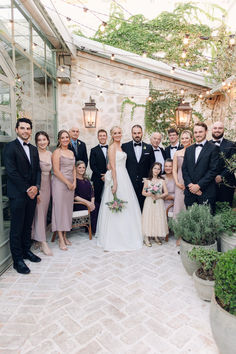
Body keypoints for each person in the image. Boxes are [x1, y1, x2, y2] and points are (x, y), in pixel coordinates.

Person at [4, 118, 41, 274]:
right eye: (22, 128)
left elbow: (38, 170)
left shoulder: (33, 149)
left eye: (28, 128)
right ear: (16, 129)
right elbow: (11, 172)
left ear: (31, 131)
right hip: (18, 194)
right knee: (17, 228)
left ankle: (26, 251)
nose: (26, 131)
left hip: (32, 194)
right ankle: (17, 260)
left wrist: (37, 187)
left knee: (27, 225)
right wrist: (27, 189)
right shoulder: (9, 147)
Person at [96, 126, 143, 251]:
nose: (117, 135)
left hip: (125, 176)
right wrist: (115, 183)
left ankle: (128, 234)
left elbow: (109, 165)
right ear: (111, 135)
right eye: (115, 133)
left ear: (121, 133)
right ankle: (114, 237)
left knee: (128, 206)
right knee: (116, 205)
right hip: (118, 177)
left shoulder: (121, 147)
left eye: (119, 132)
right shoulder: (111, 148)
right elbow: (113, 167)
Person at [182, 122, 219, 211]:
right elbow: (184, 169)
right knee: (190, 222)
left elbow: (213, 170)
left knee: (206, 223)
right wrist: (190, 185)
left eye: (200, 132)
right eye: (195, 132)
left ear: (206, 132)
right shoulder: (189, 149)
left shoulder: (214, 148)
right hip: (190, 193)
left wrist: (198, 186)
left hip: (206, 192)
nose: (198, 134)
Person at [51, 130, 76, 250]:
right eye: (63, 137)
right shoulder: (56, 152)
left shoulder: (71, 152)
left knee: (67, 210)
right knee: (59, 210)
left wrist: (74, 182)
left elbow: (73, 169)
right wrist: (67, 183)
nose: (65, 139)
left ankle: (65, 235)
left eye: (67, 137)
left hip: (70, 185)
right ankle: (60, 239)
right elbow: (56, 171)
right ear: (59, 140)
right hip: (60, 184)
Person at [122, 125, 155, 210]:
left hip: (144, 183)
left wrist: (150, 180)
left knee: (143, 206)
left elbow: (152, 165)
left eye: (139, 133)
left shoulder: (149, 147)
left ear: (142, 133)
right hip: (129, 182)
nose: (137, 135)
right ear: (131, 134)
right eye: (135, 133)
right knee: (130, 206)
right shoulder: (125, 146)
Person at [31, 131, 53, 256]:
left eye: (44, 139)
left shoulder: (50, 153)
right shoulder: (34, 154)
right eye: (39, 140)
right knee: (38, 212)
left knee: (43, 213)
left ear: (48, 140)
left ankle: (37, 237)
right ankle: (43, 241)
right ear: (36, 142)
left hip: (48, 185)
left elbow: (52, 173)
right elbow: (33, 173)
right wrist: (37, 190)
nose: (42, 142)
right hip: (38, 186)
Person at [142, 162, 168, 247]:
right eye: (155, 168)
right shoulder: (147, 180)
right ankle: (146, 237)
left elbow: (166, 193)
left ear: (160, 170)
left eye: (158, 169)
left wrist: (159, 196)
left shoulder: (162, 181)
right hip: (149, 201)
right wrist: (150, 194)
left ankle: (156, 236)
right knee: (149, 217)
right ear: (152, 169)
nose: (156, 170)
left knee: (157, 217)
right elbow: (143, 192)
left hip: (158, 201)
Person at [210, 121, 236, 206]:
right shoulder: (206, 145)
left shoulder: (232, 145)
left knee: (225, 209)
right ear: (212, 130)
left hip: (227, 184)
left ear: (223, 130)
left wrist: (222, 176)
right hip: (209, 184)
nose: (217, 130)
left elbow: (233, 163)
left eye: (220, 128)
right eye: (215, 128)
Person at [74, 160, 99, 234]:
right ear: (75, 168)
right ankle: (92, 230)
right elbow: (74, 196)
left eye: (83, 168)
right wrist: (87, 203)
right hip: (80, 204)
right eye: (79, 167)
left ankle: (97, 228)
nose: (82, 169)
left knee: (97, 206)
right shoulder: (74, 180)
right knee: (93, 209)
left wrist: (92, 203)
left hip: (89, 202)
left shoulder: (86, 179)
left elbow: (92, 193)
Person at [173, 130, 192, 218]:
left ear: (191, 139)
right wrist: (177, 183)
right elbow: (174, 169)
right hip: (180, 181)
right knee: (180, 203)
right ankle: (178, 227)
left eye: (187, 138)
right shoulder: (177, 153)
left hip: (192, 181)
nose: (184, 140)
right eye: (182, 138)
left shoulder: (195, 151)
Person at [89, 129, 108, 204]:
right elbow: (92, 165)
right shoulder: (93, 150)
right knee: (98, 199)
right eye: (100, 136)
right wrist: (101, 175)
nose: (102, 137)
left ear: (106, 137)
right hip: (98, 178)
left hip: (110, 178)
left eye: (104, 135)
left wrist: (108, 175)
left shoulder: (111, 149)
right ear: (98, 137)